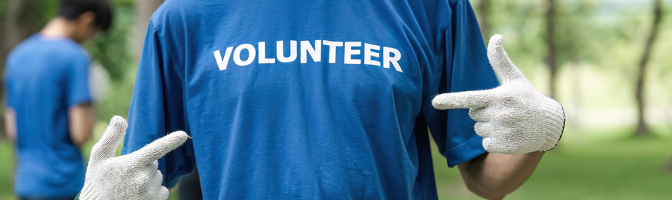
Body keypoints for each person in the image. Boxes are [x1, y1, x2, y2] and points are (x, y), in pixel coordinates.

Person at [78, 0, 565, 199]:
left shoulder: (431, 7)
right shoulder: (185, 17)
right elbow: (145, 180)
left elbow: (486, 178)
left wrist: (545, 130)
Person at [3, 0, 112, 199]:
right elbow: (81, 132)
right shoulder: (75, 57)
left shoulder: (16, 57)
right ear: (87, 20)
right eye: (95, 33)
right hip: (63, 183)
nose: (91, 39)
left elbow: (12, 129)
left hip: (26, 183)